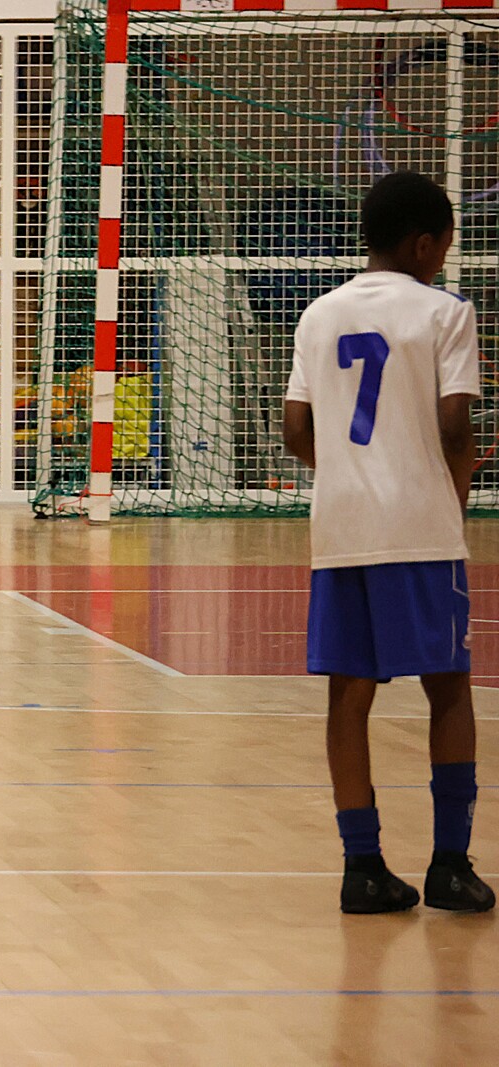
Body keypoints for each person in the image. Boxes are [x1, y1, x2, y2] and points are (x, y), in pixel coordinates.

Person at [284, 169, 494, 914]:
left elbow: (296, 431)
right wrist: (452, 497)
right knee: (449, 686)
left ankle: (362, 868)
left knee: (349, 695)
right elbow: (456, 427)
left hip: (341, 526)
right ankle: (449, 865)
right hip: (418, 524)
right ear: (424, 244)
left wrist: (350, 472)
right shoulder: (446, 311)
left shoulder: (317, 314)